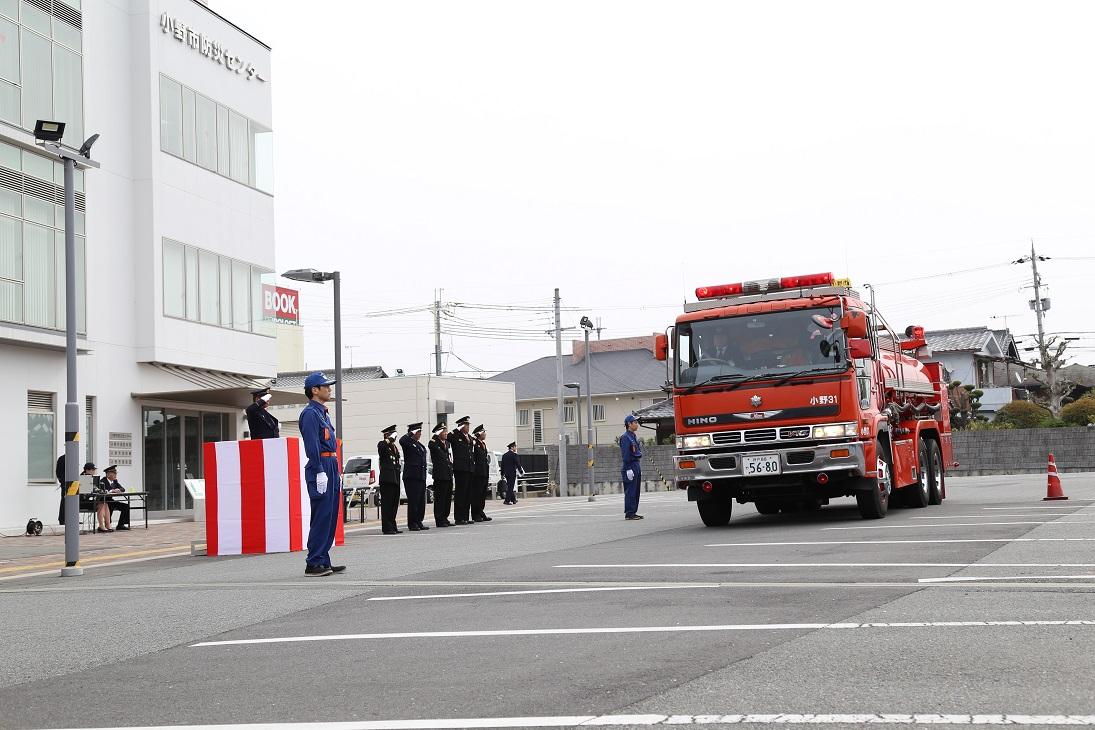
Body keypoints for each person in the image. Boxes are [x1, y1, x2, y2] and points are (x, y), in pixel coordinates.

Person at [299, 372, 344, 577]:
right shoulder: (310, 414)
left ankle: (323, 559)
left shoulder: (322, 413)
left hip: (330, 464)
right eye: (325, 386)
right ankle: (313, 562)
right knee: (322, 515)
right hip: (321, 465)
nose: (329, 388)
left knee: (331, 515)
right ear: (314, 390)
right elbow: (312, 445)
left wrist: (336, 470)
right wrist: (319, 471)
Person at [400, 423, 429, 531]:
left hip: (420, 476)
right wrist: (409, 433)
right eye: (418, 432)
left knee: (421, 501)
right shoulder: (407, 443)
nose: (420, 434)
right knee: (413, 501)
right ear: (413, 432)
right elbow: (401, 441)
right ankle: (412, 523)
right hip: (412, 477)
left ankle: (419, 521)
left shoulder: (419, 445)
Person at [376, 425, 402, 535]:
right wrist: (388, 439)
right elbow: (381, 446)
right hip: (387, 479)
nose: (394, 437)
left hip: (395, 478)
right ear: (387, 435)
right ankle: (387, 527)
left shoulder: (393, 447)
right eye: (392, 434)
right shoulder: (383, 445)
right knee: (387, 504)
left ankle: (393, 525)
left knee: (394, 504)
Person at [449, 416, 475, 525]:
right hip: (460, 468)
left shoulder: (469, 437)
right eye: (466, 425)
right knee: (461, 493)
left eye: (468, 425)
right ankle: (459, 517)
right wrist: (457, 429)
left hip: (469, 468)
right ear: (461, 426)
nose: (468, 427)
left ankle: (465, 516)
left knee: (468, 494)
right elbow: (448, 437)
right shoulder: (455, 435)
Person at [428, 422, 454, 527]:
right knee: (440, 498)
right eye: (443, 431)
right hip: (440, 474)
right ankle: (439, 519)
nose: (446, 433)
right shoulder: (434, 442)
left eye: (446, 431)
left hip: (448, 473)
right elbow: (431, 445)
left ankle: (445, 518)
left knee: (447, 498)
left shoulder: (447, 443)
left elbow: (449, 456)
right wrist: (435, 434)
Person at [620, 415, 644, 520]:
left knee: (636, 490)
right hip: (630, 465)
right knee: (631, 490)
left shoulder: (632, 436)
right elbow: (626, 454)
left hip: (636, 464)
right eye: (634, 422)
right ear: (629, 424)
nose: (636, 424)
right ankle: (629, 513)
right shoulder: (625, 437)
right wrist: (628, 468)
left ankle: (633, 511)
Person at [471, 424, 493, 522]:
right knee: (477, 494)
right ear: (479, 434)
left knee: (482, 494)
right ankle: (475, 514)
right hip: (478, 473)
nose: (485, 434)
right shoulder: (475, 443)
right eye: (483, 433)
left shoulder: (483, 444)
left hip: (484, 472)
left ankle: (480, 511)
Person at [99, 465, 130, 531]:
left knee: (125, 506)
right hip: (104, 501)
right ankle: (106, 525)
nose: (115, 475)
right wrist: (111, 490)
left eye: (116, 473)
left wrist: (118, 490)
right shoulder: (102, 481)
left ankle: (121, 525)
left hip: (111, 501)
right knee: (110, 506)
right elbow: (103, 490)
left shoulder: (115, 481)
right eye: (114, 473)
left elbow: (123, 489)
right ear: (108, 474)